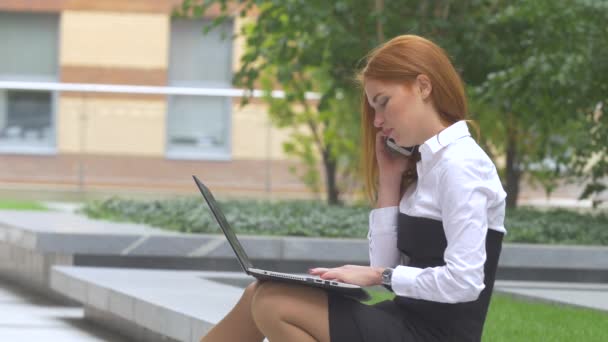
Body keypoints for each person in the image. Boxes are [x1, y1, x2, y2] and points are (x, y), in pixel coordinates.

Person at [200, 34, 507, 342]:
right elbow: (386, 267)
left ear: (423, 87)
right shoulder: (426, 165)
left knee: (273, 304)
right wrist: (389, 182)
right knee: (260, 291)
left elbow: (465, 282)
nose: (377, 121)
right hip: (401, 321)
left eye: (383, 103)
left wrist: (378, 276)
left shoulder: (461, 166)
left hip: (432, 336)